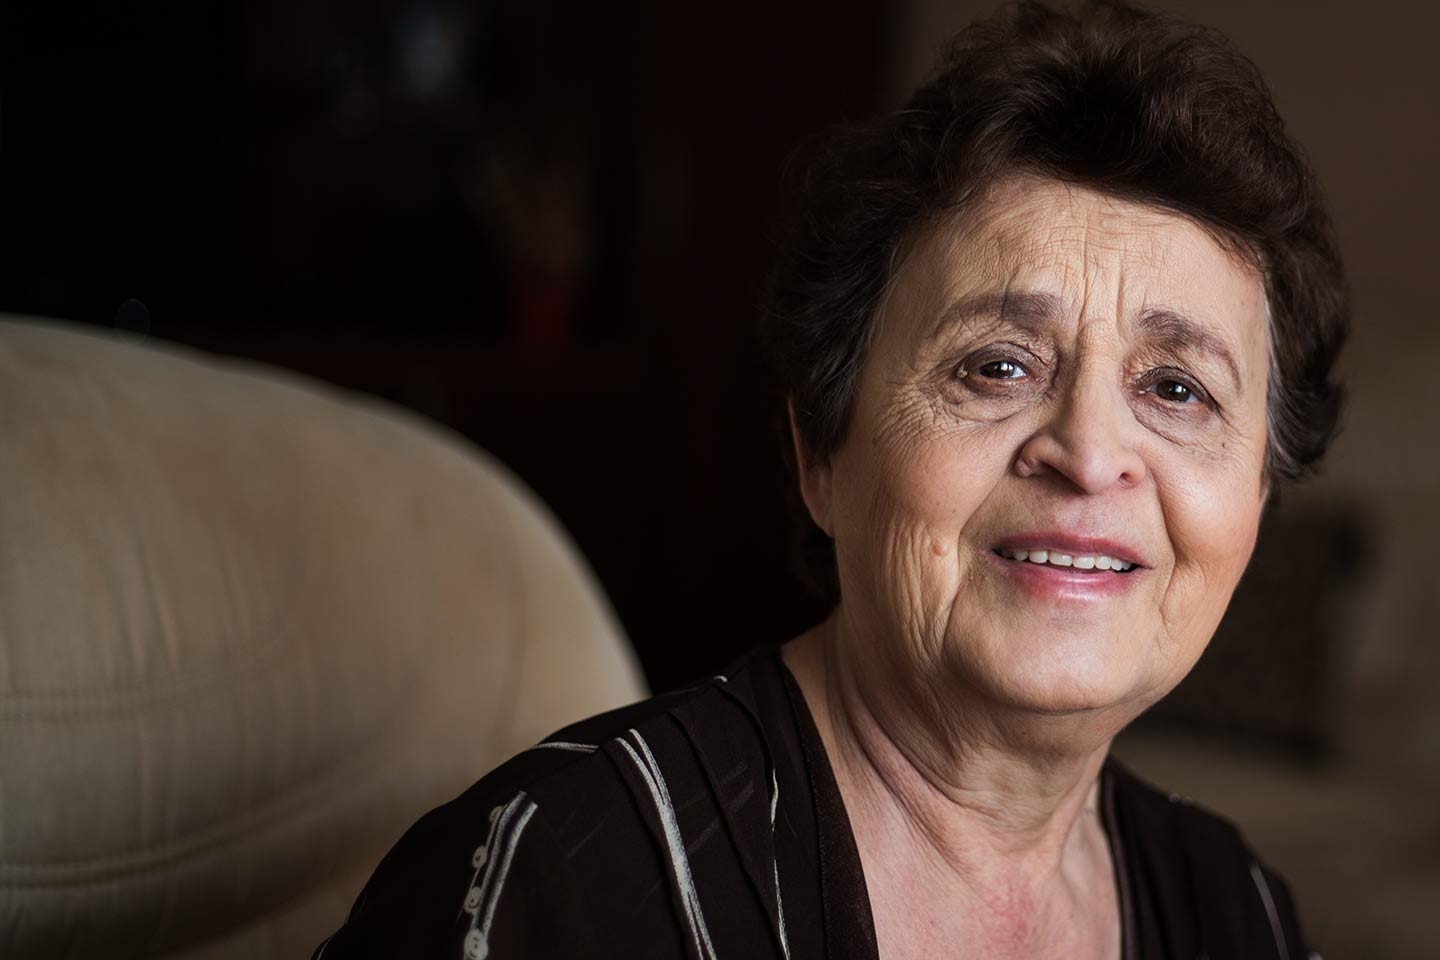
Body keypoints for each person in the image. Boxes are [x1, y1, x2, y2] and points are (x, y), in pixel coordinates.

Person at [315, 1, 1347, 956]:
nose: (1085, 452)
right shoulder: (572, 880)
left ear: (1259, 489)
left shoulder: (1238, 909)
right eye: (996, 366)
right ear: (820, 454)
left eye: (1177, 389)